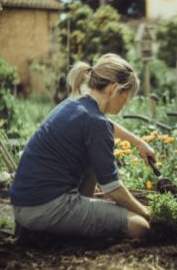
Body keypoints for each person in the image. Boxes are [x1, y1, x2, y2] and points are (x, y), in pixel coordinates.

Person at [9, 53, 154, 240]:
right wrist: (147, 213)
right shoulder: (96, 123)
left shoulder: (74, 104)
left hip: (23, 205)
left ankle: (56, 227)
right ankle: (52, 232)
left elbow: (105, 125)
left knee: (94, 160)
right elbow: (113, 189)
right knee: (140, 226)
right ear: (114, 89)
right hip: (47, 209)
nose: (125, 104)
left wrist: (139, 143)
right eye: (125, 98)